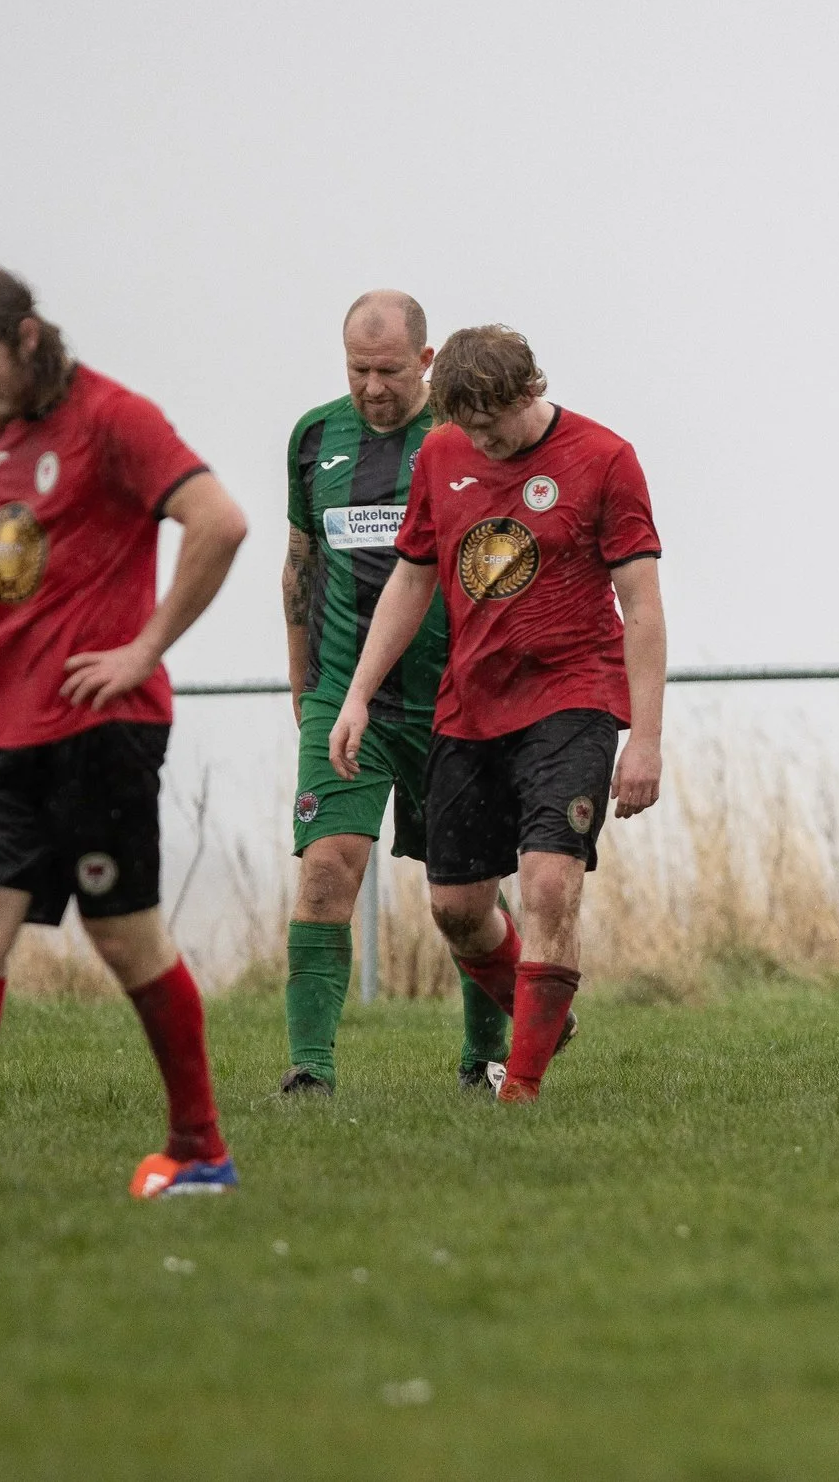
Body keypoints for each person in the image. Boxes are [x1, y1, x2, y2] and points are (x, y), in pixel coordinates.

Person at [0, 267, 249, 1199]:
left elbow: (221, 522)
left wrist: (142, 648)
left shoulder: (117, 418)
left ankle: (201, 1149)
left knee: (124, 940)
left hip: (101, 728)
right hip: (5, 726)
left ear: (29, 338)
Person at [330, 325, 664, 1103]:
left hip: (572, 697)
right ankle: (539, 1006)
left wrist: (643, 741)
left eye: (494, 423)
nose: (482, 439)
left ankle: (521, 1086)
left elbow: (642, 606)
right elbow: (412, 581)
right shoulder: (441, 456)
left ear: (528, 392)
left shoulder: (605, 458)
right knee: (455, 909)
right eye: (466, 424)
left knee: (550, 887)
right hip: (469, 707)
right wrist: (355, 695)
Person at [279, 290, 512, 1094]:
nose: (371, 387)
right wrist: (304, 689)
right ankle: (310, 1069)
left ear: (425, 361)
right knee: (326, 872)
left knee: (465, 897)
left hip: (454, 703)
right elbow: (299, 567)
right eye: (356, 369)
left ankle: (485, 1056)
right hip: (346, 702)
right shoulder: (314, 439)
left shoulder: (463, 437)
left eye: (387, 370)